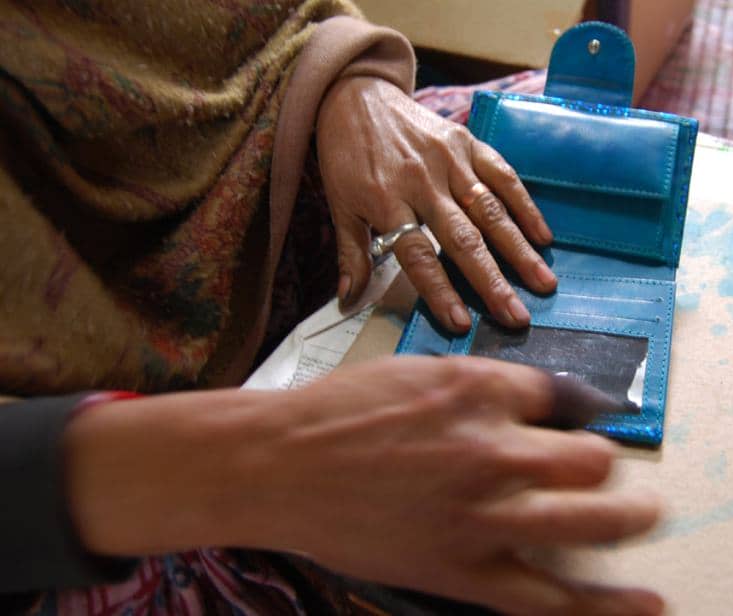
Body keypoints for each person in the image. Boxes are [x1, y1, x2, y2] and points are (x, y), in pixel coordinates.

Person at [0, 1, 665, 615]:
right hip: (91, 492)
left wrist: (352, 80)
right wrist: (254, 466)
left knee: (563, 132)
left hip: (302, 146)